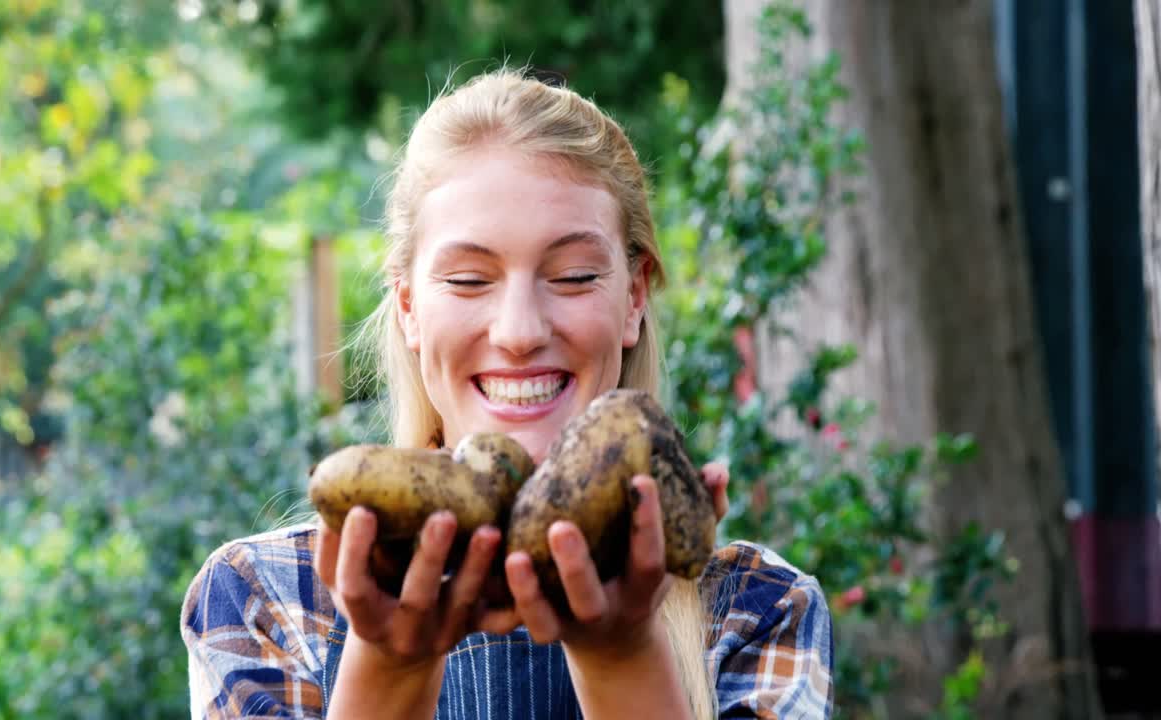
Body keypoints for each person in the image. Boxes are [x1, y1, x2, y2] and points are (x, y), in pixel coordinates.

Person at [180, 68, 833, 719]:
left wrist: (624, 655)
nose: (520, 333)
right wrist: (388, 666)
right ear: (408, 306)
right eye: (468, 280)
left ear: (634, 296)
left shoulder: (757, 606)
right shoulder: (268, 596)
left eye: (574, 275)